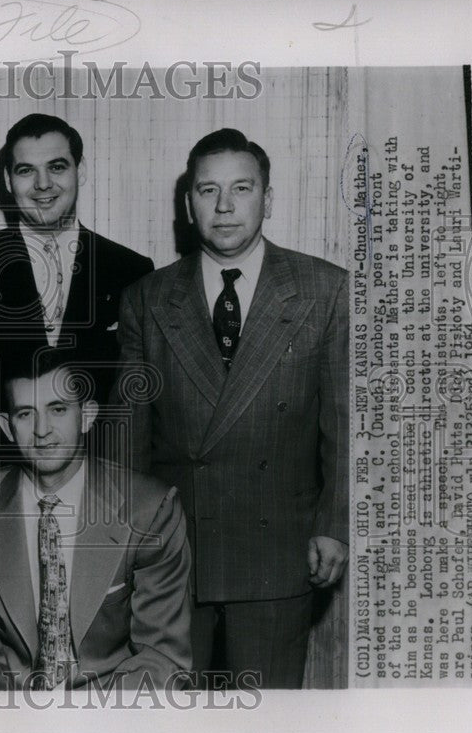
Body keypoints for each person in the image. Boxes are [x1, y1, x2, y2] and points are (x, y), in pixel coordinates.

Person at [116, 128, 349, 688]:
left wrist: (335, 525)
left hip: (279, 547)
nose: (224, 206)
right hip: (175, 554)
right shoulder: (147, 298)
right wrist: (124, 544)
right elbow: (128, 438)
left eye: (241, 189)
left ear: (267, 199)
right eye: (207, 190)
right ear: (187, 202)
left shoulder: (325, 290)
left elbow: (344, 425)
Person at [0, 114, 154, 666]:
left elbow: (135, 406)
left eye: (57, 167)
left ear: (81, 171)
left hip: (98, 509)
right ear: (7, 180)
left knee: (94, 663)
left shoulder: (130, 270)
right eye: (26, 170)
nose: (43, 184)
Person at [0, 351, 192, 690]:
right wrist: (8, 730)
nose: (43, 430)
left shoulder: (150, 509)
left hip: (114, 714)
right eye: (26, 414)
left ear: (87, 416)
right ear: (7, 427)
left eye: (58, 409)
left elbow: (160, 656)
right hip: (10, 714)